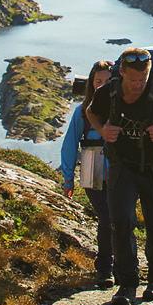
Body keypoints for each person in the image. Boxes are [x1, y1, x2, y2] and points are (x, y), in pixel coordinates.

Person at [86, 47, 153, 305]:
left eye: (142, 80)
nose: (137, 86)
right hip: (122, 167)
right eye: (132, 80)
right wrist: (103, 130)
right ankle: (127, 284)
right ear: (121, 72)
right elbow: (90, 111)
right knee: (121, 221)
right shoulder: (108, 92)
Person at [60, 60, 114, 288]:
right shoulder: (82, 112)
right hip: (93, 167)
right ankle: (105, 269)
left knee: (120, 218)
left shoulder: (125, 108)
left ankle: (117, 266)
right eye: (98, 81)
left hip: (121, 170)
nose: (102, 86)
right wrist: (68, 179)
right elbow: (70, 144)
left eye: (108, 82)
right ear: (92, 84)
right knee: (107, 217)